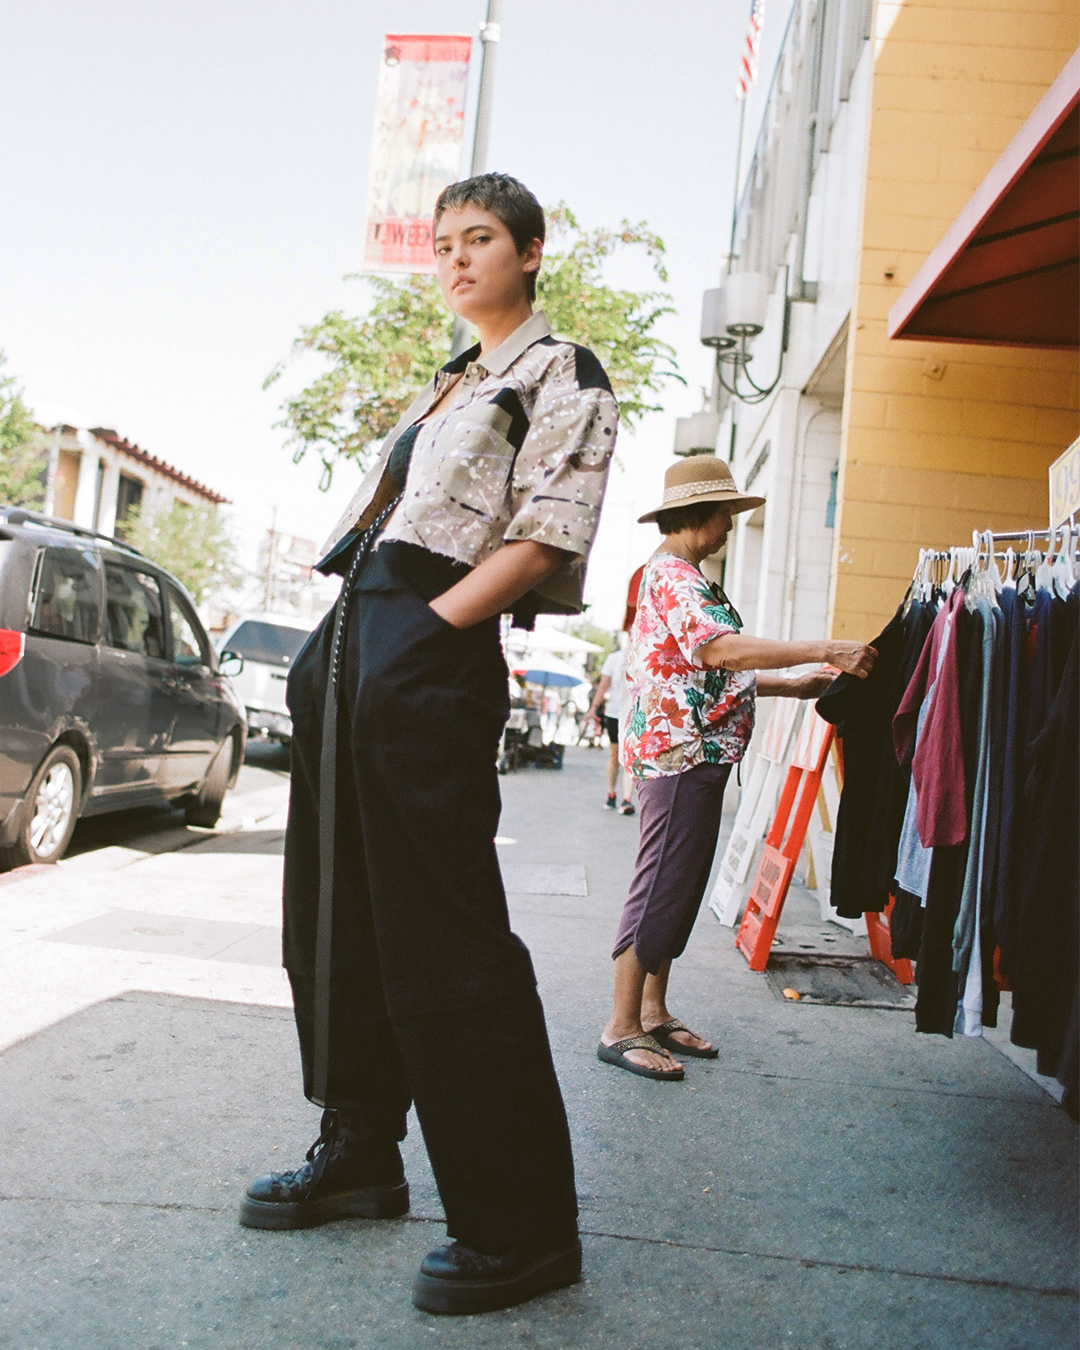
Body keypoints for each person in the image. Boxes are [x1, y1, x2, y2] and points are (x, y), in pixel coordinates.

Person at [240, 173, 619, 1315]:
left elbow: (547, 536)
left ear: (532, 251)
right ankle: (360, 1149)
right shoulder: (449, 380)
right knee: (336, 918)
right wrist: (346, 650)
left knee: (444, 938)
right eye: (443, 242)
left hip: (425, 649)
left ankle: (521, 1226)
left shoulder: (563, 372)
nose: (454, 258)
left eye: (480, 239)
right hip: (355, 643)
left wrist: (426, 635)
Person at [598, 456, 877, 1080]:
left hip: (693, 750)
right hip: (681, 753)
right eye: (726, 513)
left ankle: (651, 1011)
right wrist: (823, 648)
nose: (729, 525)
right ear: (699, 514)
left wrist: (791, 684)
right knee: (661, 883)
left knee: (678, 885)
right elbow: (718, 650)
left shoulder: (679, 575)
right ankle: (620, 1025)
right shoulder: (673, 576)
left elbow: (700, 672)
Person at [585, 635, 635, 814]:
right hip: (614, 713)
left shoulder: (643, 656)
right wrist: (593, 708)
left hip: (634, 714)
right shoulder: (614, 659)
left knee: (630, 757)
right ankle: (611, 793)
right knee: (615, 755)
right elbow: (603, 685)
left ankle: (627, 800)